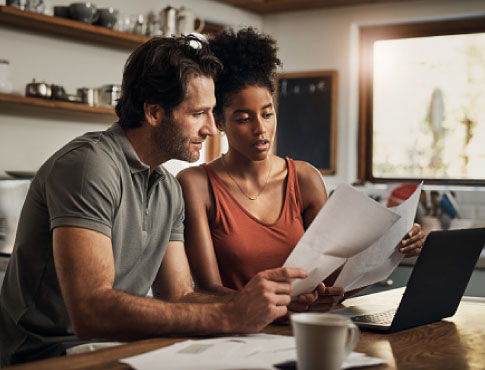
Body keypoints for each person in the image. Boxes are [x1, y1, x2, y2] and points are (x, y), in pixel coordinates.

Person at [0, 35, 309, 366]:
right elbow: (91, 311)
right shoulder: (90, 165)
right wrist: (229, 316)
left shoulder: (167, 187)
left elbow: (180, 296)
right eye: (199, 113)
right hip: (44, 355)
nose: (211, 129)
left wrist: (261, 304)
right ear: (154, 112)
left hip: (116, 347)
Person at [177, 28, 425, 313]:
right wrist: (280, 306)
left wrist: (394, 249)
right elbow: (207, 289)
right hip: (237, 334)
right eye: (244, 119)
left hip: (304, 329)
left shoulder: (304, 179)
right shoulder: (196, 184)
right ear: (219, 121)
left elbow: (333, 279)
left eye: (268, 114)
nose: (261, 129)